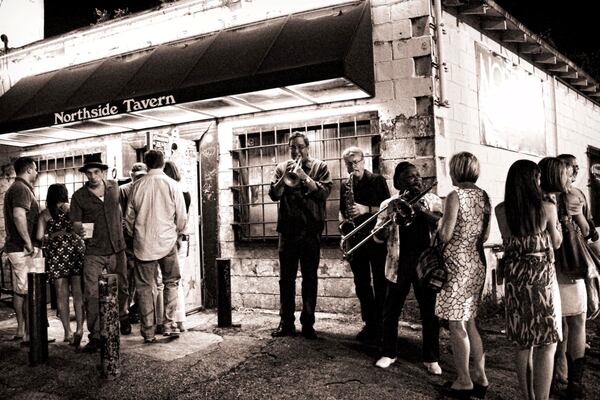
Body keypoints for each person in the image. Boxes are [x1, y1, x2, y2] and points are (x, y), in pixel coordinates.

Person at [496, 159, 563, 400]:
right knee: (547, 343)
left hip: (515, 276)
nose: (540, 182)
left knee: (524, 342)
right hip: (541, 276)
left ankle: (527, 397)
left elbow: (509, 240)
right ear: (530, 181)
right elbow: (556, 242)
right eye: (537, 178)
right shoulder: (546, 208)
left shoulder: (501, 210)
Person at [374, 161, 443, 376]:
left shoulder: (432, 200)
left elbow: (440, 227)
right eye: (411, 177)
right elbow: (377, 236)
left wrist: (418, 210)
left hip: (425, 262)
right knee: (391, 309)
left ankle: (431, 358)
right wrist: (387, 224)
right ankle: (389, 353)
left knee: (430, 311)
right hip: (398, 261)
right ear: (398, 182)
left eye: (418, 176)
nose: (417, 180)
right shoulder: (389, 203)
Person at [436, 152, 490, 398]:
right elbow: (486, 236)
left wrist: (437, 224)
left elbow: (446, 234)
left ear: (456, 171)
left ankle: (464, 380)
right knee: (470, 321)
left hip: (456, 264)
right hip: (477, 262)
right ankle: (480, 376)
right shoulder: (484, 196)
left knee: (456, 323)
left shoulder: (454, 196)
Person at [268, 131, 332, 340]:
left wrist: (304, 177)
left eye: (300, 147)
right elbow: (273, 195)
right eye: (292, 147)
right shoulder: (281, 168)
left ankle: (308, 323)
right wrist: (283, 179)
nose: (296, 151)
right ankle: (286, 323)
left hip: (311, 231)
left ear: (307, 147)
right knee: (285, 280)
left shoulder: (320, 167)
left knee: (309, 278)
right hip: (287, 231)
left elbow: (323, 194)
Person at [541, 156, 591, 399]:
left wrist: (579, 215)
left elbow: (588, 230)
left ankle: (560, 377)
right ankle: (573, 381)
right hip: (566, 267)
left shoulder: (542, 197)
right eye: (569, 170)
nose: (572, 174)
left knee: (560, 324)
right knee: (574, 322)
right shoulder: (562, 197)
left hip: (556, 267)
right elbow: (588, 231)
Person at [125, 150, 187, 343]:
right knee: (171, 283)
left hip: (143, 245)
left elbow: (128, 219)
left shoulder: (136, 186)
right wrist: (176, 233)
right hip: (167, 242)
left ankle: (149, 332)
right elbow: (181, 216)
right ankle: (168, 324)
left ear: (147, 163)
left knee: (144, 287)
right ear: (162, 163)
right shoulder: (172, 185)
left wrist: (134, 234)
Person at [70, 154, 130, 353]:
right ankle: (95, 335)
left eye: (96, 172)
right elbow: (76, 222)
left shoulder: (114, 188)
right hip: (94, 251)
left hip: (117, 248)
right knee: (92, 293)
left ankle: (122, 316)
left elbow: (123, 210)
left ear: (103, 172)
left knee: (122, 287)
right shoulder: (79, 196)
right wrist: (80, 229)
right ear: (85, 174)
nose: (93, 176)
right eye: (89, 173)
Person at [338, 146, 390, 342]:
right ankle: (370, 324)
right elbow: (343, 211)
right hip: (356, 238)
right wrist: (344, 222)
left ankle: (383, 326)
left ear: (364, 161)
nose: (353, 166)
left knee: (380, 283)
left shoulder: (377, 180)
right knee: (361, 285)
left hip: (375, 238)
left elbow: (389, 209)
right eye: (349, 164)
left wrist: (365, 208)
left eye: (357, 162)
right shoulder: (345, 185)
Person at [36, 184, 85, 346]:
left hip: (57, 254)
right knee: (78, 293)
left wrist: (51, 236)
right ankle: (79, 328)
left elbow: (39, 236)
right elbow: (82, 228)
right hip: (75, 251)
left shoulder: (45, 213)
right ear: (65, 194)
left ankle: (67, 333)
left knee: (61, 295)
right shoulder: (71, 209)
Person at [3, 157, 40, 343]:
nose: (36, 172)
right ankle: (29, 334)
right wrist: (28, 243)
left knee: (20, 290)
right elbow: (19, 215)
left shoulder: (15, 188)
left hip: (15, 247)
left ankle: (22, 330)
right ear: (29, 170)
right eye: (35, 169)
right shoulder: (21, 189)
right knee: (27, 290)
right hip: (22, 248)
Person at [163, 160, 191, 332]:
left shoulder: (171, 191)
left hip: (173, 239)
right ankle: (180, 320)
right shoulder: (185, 190)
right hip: (184, 238)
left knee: (172, 282)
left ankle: (176, 320)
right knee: (177, 281)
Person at [119, 162, 148, 324]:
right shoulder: (124, 190)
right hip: (129, 240)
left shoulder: (146, 189)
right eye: (137, 177)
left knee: (140, 277)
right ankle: (126, 311)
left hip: (142, 238)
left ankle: (136, 309)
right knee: (128, 277)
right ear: (131, 176)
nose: (139, 180)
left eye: (142, 176)